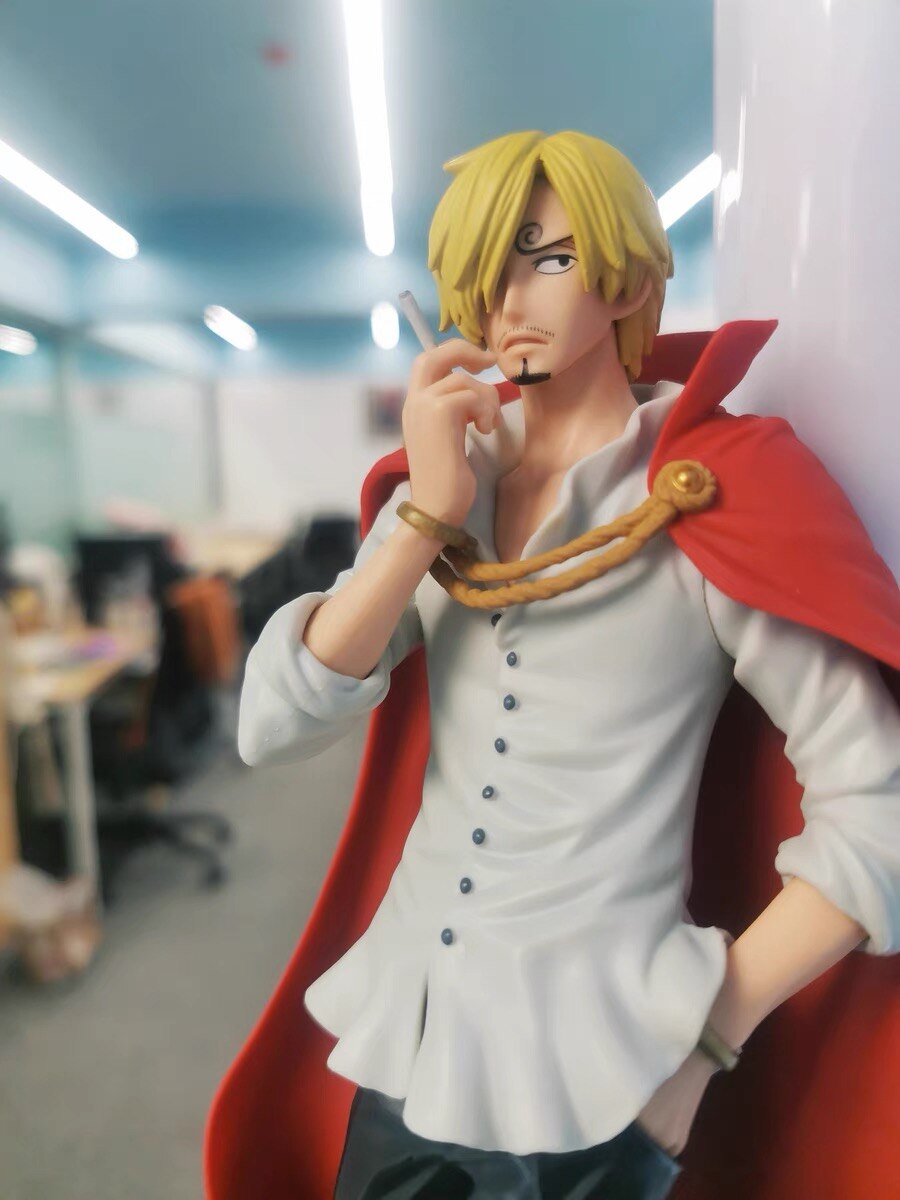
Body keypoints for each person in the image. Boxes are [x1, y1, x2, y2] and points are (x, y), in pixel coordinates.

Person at [205, 132, 900, 1200]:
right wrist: (425, 517)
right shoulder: (447, 489)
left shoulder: (712, 492)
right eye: (487, 267)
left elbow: (880, 807)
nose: (508, 299)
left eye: (550, 258)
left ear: (627, 277)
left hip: (604, 1075)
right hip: (411, 1048)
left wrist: (709, 1040)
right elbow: (271, 725)